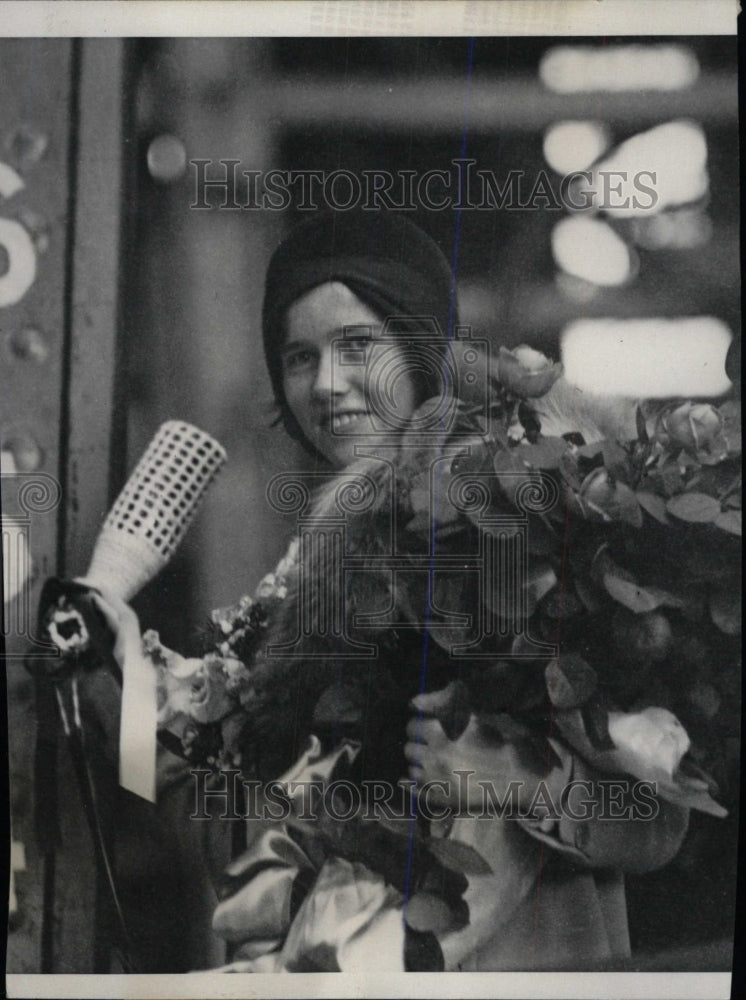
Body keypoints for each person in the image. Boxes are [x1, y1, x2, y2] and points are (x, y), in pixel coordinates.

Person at [98, 208, 690, 973]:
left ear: (421, 351)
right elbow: (245, 839)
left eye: (358, 347)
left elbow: (659, 820)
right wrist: (122, 692)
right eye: (299, 357)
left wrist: (518, 784)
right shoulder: (309, 577)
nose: (329, 385)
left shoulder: (522, 529)